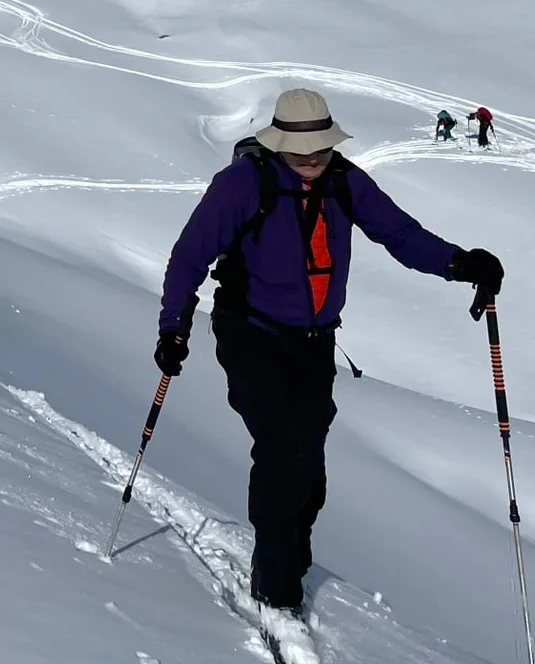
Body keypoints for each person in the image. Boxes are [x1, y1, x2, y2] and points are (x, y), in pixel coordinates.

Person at [154, 88, 503, 618]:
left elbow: (399, 233)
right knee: (281, 451)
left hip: (315, 344)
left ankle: (292, 559)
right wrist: (174, 325)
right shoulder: (244, 183)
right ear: (278, 145)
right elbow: (190, 255)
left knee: (309, 466)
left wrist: (461, 264)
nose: (313, 158)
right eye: (302, 151)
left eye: (321, 147)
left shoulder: (344, 180)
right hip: (251, 333)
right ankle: (275, 589)